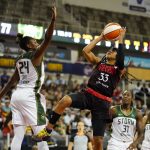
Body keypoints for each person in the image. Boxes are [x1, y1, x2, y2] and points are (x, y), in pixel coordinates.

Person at [33, 27, 126, 150]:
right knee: (65, 100)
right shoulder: (99, 62)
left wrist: (120, 40)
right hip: (88, 95)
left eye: (113, 51)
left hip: (102, 103)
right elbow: (85, 51)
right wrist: (100, 37)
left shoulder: (119, 70)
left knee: (98, 141)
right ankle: (48, 130)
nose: (110, 51)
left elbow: (120, 60)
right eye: (109, 50)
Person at [0, 4, 56, 150]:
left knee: (18, 136)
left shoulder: (19, 59)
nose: (38, 43)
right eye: (35, 42)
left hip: (16, 96)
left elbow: (12, 81)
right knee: (42, 135)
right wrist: (53, 20)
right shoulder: (35, 55)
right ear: (29, 46)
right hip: (29, 96)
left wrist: (0, 97)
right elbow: (48, 38)